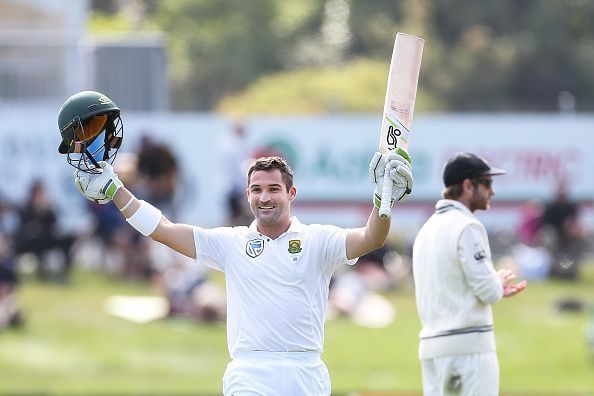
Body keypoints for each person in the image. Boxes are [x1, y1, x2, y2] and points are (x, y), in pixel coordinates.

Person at [60, 91, 413, 396]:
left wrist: (384, 202)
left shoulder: (318, 239)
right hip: (250, 373)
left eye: (274, 189)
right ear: (247, 196)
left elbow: (371, 238)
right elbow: (163, 229)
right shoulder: (231, 243)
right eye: (257, 190)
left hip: (306, 372)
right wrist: (116, 190)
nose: (265, 197)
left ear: (291, 193)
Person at [412, 152, 527, 396]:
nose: (492, 191)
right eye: (487, 183)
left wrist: (493, 285)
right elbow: (488, 292)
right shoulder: (468, 226)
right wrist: (496, 283)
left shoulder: (426, 230)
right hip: (469, 348)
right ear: (467, 185)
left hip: (432, 348)